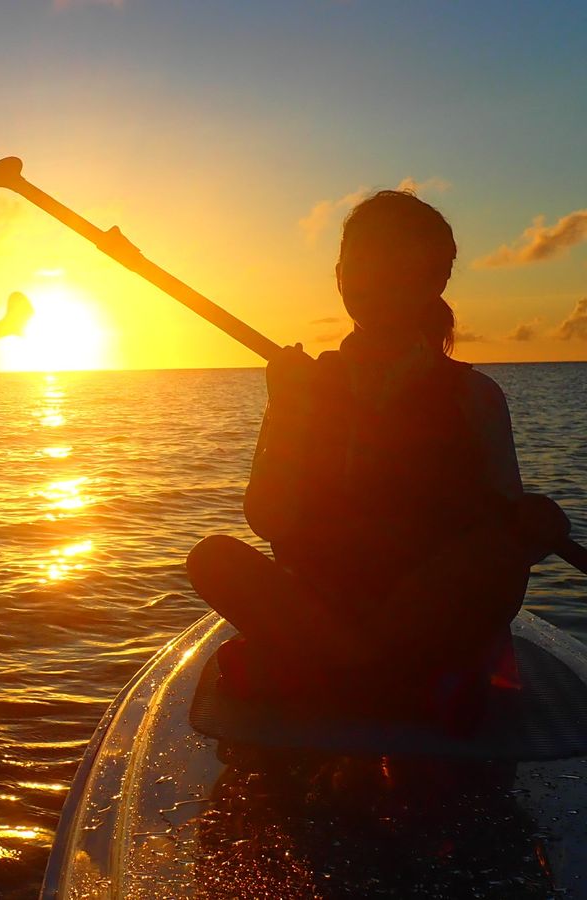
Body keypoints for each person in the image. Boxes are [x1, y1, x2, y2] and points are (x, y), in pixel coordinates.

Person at [185, 190, 570, 711]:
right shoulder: (302, 388)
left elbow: (503, 538)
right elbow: (269, 519)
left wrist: (530, 528)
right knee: (212, 557)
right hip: (323, 604)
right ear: (340, 274)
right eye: (364, 263)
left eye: (401, 266)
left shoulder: (475, 397)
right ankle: (378, 669)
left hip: (425, 612)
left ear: (435, 282)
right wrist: (291, 412)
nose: (379, 281)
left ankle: (337, 666)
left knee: (516, 538)